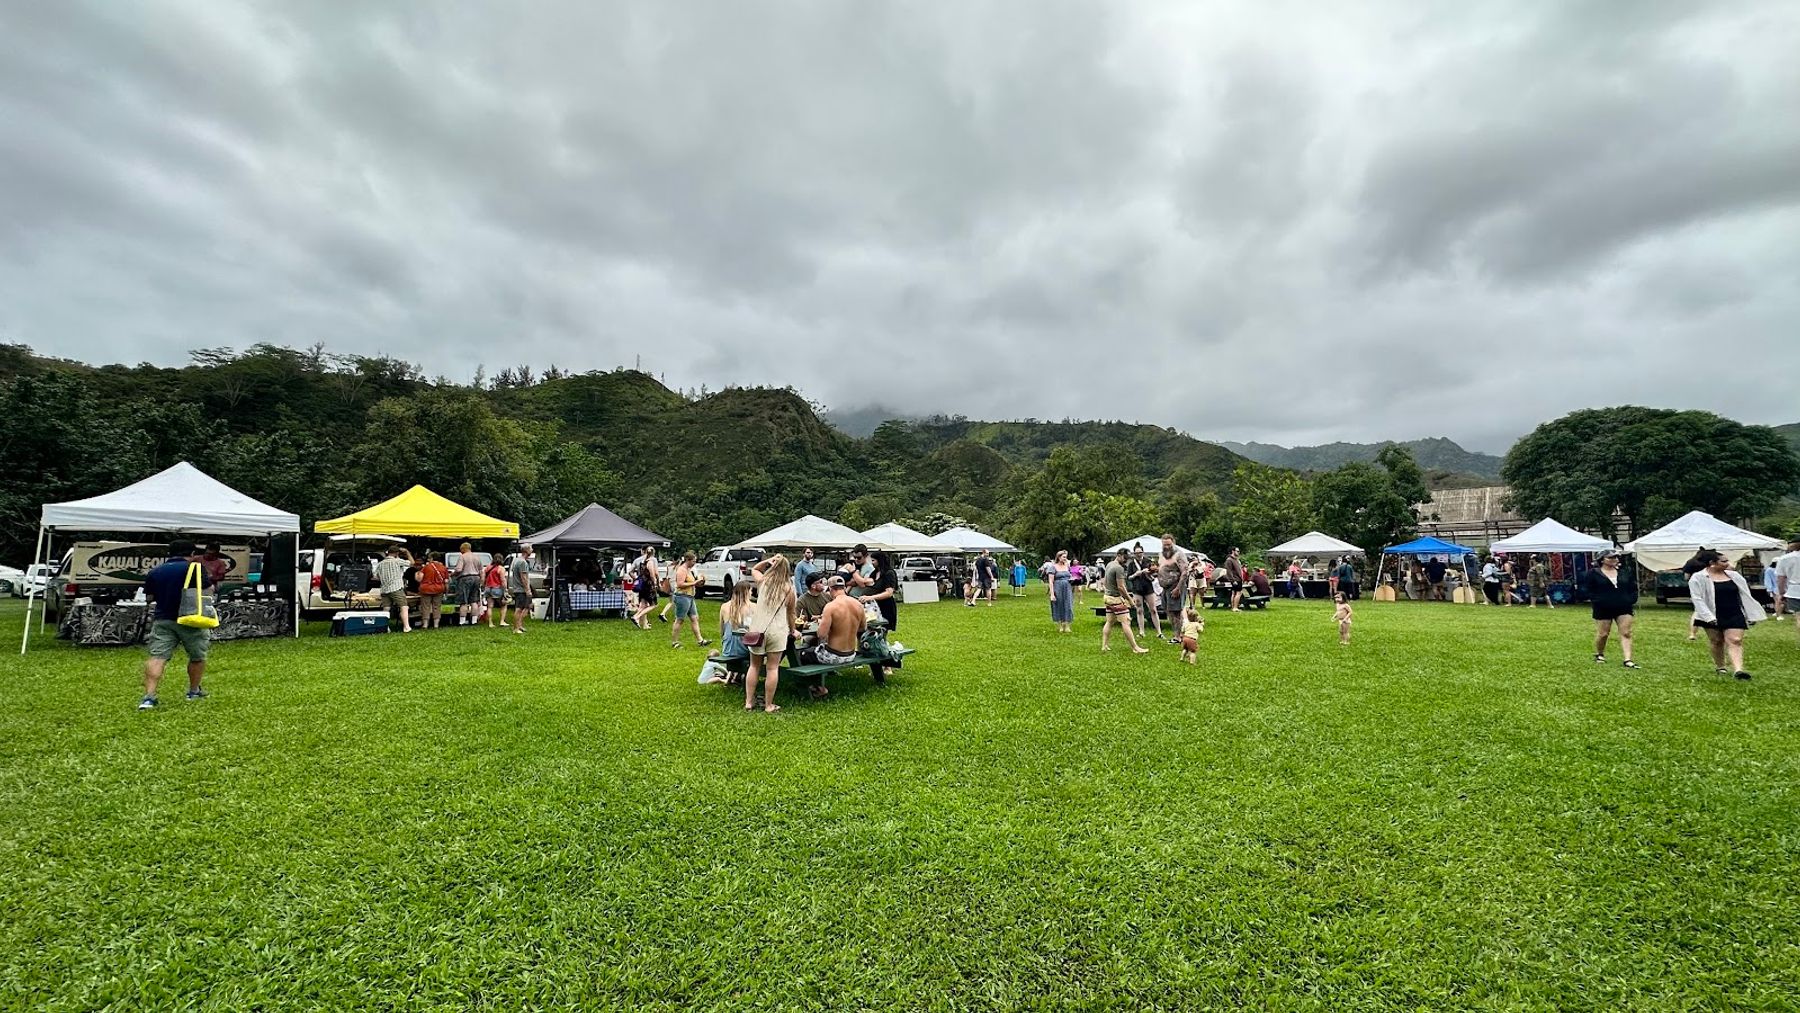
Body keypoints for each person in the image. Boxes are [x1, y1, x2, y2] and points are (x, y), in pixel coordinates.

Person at [138, 540, 214, 709]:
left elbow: (149, 598)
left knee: (157, 657)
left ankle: (149, 697)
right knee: (197, 656)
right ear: (193, 554)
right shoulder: (195, 568)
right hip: (191, 619)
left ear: (169, 554)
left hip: (163, 619)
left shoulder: (155, 571)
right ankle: (194, 691)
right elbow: (208, 591)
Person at [1689, 549, 1765, 680]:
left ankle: (1738, 670)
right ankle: (1721, 666)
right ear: (1712, 563)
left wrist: (1750, 614)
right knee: (1717, 641)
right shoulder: (1698, 578)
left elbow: (1745, 595)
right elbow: (1697, 599)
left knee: (1735, 640)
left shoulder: (1734, 576)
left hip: (1734, 612)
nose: (1727, 563)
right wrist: (1708, 617)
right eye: (1723, 561)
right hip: (1711, 613)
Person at [742, 554, 796, 713]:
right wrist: (792, 630)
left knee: (754, 666)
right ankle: (768, 704)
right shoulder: (789, 589)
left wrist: (768, 560)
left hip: (758, 629)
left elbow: (755, 569)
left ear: (773, 567)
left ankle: (748, 701)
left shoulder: (763, 582)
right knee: (773, 668)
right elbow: (791, 614)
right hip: (778, 631)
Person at [804, 576, 866, 699]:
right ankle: (824, 677)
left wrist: (823, 622)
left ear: (831, 589)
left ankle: (817, 687)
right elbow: (862, 628)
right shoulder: (858, 604)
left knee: (804, 654)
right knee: (814, 650)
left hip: (834, 655)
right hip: (851, 654)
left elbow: (821, 634)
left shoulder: (831, 607)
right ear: (843, 588)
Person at [1583, 548, 1640, 669]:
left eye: (1616, 557)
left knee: (1626, 632)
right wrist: (1597, 600)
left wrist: (1631, 599)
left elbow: (1633, 587)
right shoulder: (1593, 573)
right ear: (1602, 560)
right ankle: (1600, 653)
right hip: (1603, 607)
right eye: (1611, 557)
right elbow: (1588, 590)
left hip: (1624, 606)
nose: (1615, 559)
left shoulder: (1625, 572)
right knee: (1603, 634)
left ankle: (1628, 659)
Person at [1100, 548, 1149, 654]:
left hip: (1107, 597)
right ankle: (1135, 647)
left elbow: (1106, 581)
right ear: (1119, 555)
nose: (1126, 560)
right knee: (1126, 621)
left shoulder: (1109, 564)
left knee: (1110, 621)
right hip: (1115, 599)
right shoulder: (1118, 568)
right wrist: (1130, 600)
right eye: (1125, 557)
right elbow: (1121, 587)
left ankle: (1104, 645)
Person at [669, 551, 709, 648]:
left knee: (694, 618)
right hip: (682, 596)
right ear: (687, 560)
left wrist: (701, 581)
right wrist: (695, 583)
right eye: (693, 561)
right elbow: (680, 584)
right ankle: (674, 642)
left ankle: (700, 640)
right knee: (680, 619)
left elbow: (693, 583)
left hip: (690, 597)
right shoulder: (681, 570)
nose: (694, 563)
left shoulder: (689, 570)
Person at [374, 545, 413, 633]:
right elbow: (412, 563)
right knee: (404, 607)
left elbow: (375, 577)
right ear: (397, 553)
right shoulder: (397, 561)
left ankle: (385, 627)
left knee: (386, 608)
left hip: (384, 589)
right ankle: (406, 627)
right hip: (396, 587)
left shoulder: (380, 563)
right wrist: (407, 552)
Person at [1156, 535, 1189, 633]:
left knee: (1176, 612)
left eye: (1169, 544)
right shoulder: (1161, 555)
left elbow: (1184, 572)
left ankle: (1179, 636)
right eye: (1164, 544)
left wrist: (1178, 588)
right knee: (1169, 611)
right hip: (1164, 587)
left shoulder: (1179, 554)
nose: (1166, 547)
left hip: (1175, 586)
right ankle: (1176, 635)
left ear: (1173, 543)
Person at [864, 551, 900, 633]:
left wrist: (870, 597)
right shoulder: (874, 573)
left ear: (879, 560)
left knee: (882, 631)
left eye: (873, 560)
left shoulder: (889, 573)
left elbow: (889, 593)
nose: (872, 563)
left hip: (885, 607)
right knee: (871, 630)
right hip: (873, 607)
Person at [1126, 552, 1158, 639]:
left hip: (1148, 588)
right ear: (1134, 554)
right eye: (1136, 553)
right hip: (1137, 589)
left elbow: (1155, 573)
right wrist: (1136, 574)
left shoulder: (1148, 561)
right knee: (1139, 610)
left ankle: (1159, 632)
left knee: (1153, 610)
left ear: (1142, 552)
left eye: (1140, 552)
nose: (1138, 554)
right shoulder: (1131, 564)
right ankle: (1141, 632)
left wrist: (1149, 572)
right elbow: (1129, 577)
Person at [416, 551, 450, 629]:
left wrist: (417, 573)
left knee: (425, 607)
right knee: (437, 607)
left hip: (426, 589)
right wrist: (446, 592)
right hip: (439, 589)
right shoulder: (443, 568)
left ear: (431, 558)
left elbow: (419, 579)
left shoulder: (426, 567)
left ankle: (425, 624)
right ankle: (436, 625)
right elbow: (446, 582)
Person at [453, 542, 484, 625]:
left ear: (463, 549)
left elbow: (459, 569)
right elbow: (481, 571)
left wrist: (453, 574)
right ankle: (474, 621)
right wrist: (482, 581)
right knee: (474, 600)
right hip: (476, 578)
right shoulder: (477, 557)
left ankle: (462, 621)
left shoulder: (462, 557)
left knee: (463, 601)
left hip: (465, 579)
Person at [508, 543, 535, 635]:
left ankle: (519, 626)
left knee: (523, 608)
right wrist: (528, 590)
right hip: (521, 589)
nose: (532, 550)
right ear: (526, 551)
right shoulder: (523, 562)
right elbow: (524, 577)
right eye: (531, 549)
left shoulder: (516, 560)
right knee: (519, 609)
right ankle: (516, 628)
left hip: (517, 588)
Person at [632, 546, 660, 629]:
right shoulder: (651, 561)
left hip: (642, 586)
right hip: (649, 586)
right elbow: (653, 574)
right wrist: (656, 582)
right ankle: (636, 617)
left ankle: (643, 623)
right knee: (654, 605)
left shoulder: (642, 562)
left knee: (643, 605)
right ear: (653, 553)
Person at [1775, 536, 1800, 625]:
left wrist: (1781, 593)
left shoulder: (1784, 558)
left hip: (1795, 591)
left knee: (1799, 617)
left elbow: (1781, 578)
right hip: (1795, 590)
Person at [1048, 550, 1075, 633]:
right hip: (1057, 588)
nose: (1065, 559)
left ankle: (1067, 625)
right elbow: (1051, 581)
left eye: (1066, 557)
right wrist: (1052, 594)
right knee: (1058, 605)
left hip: (1067, 588)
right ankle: (1060, 625)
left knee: (1068, 605)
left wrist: (1073, 579)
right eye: (1063, 557)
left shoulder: (1067, 566)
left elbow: (1070, 575)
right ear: (1059, 557)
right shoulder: (1053, 567)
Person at [481, 555, 506, 628]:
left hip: (488, 588)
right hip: (497, 588)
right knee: (503, 605)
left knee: (490, 606)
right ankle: (502, 621)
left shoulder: (487, 567)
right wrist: (505, 589)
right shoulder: (501, 568)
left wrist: (483, 586)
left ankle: (490, 623)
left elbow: (483, 579)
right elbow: (503, 580)